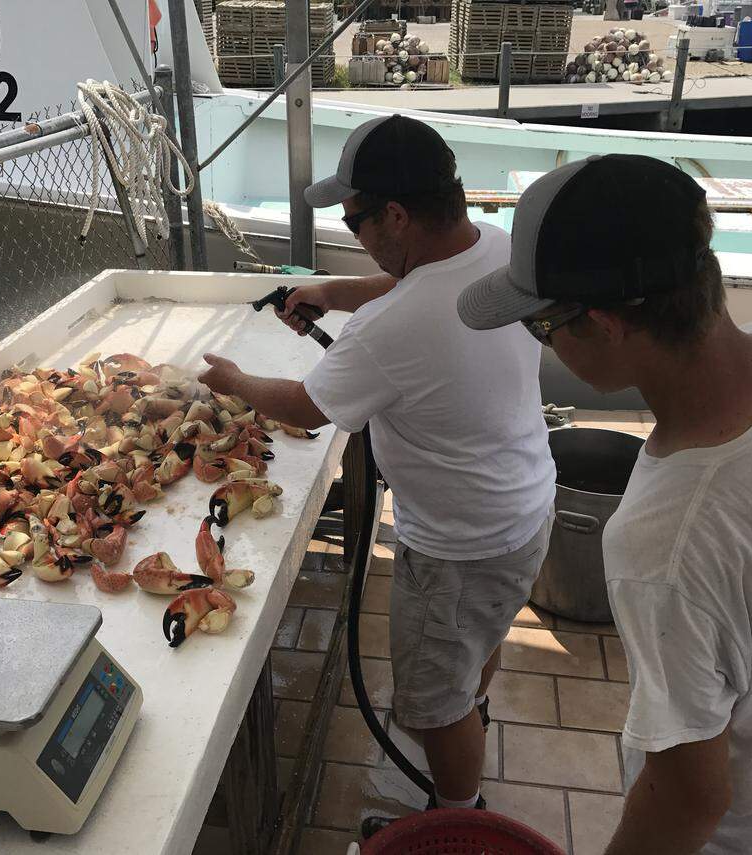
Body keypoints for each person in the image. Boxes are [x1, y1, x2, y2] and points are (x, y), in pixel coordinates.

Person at [457, 154, 752, 854]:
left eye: (541, 325)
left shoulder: (664, 539)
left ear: (605, 323)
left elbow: (689, 797)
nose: (541, 342)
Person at [198, 114, 556, 834]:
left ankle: (457, 815)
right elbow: (418, 294)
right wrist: (331, 293)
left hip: (457, 543)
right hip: (523, 507)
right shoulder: (493, 244)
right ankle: (469, 717)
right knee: (476, 643)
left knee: (431, 702)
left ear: (395, 214)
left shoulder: (389, 330)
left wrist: (234, 380)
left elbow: (306, 405)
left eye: (352, 217)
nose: (350, 228)